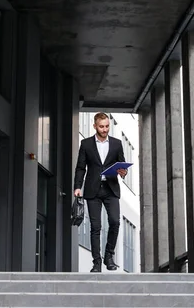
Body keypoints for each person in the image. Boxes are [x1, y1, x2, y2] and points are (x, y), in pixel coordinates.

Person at [74, 112, 128, 272]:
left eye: (107, 126)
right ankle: (97, 262)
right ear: (95, 126)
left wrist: (123, 171)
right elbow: (80, 167)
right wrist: (77, 186)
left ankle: (109, 255)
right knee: (95, 227)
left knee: (115, 222)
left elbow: (122, 163)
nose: (105, 130)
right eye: (101, 126)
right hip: (93, 189)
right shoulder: (86, 144)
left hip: (111, 188)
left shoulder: (117, 144)